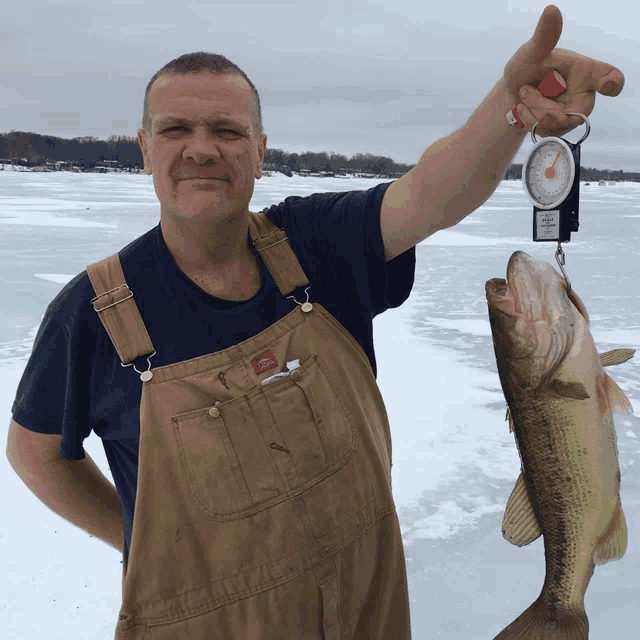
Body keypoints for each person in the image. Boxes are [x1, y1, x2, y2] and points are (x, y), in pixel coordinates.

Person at [6, 5, 624, 639]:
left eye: (227, 129)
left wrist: (511, 107)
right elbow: (34, 454)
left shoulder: (314, 245)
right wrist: (135, 540)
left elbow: (430, 194)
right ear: (143, 147)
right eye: (175, 129)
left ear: (260, 149)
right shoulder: (93, 312)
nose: (202, 149)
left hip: (364, 615)